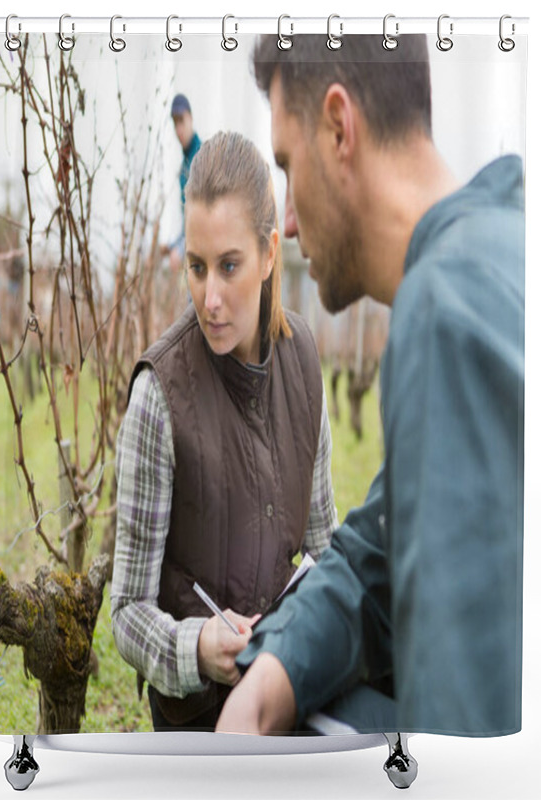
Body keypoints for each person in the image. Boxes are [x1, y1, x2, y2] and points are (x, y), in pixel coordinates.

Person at [216, 34, 525, 736]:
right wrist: (273, 675)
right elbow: (380, 546)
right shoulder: (502, 249)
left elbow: (463, 738)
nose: (287, 223)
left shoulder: (442, 313)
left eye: (289, 168)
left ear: (339, 126)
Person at [111, 130, 339, 731]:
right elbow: (127, 610)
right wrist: (196, 648)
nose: (209, 298)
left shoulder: (305, 366)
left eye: (229, 266)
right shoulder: (159, 396)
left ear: (268, 255)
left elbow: (324, 548)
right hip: (198, 727)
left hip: (290, 695)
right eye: (196, 267)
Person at [160, 93, 201, 273]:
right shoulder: (183, 167)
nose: (179, 129)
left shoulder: (202, 158)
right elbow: (188, 222)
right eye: (175, 123)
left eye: (182, 121)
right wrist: (172, 245)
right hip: (190, 249)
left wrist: (180, 248)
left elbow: (202, 218)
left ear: (191, 118)